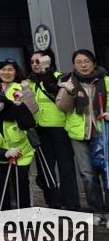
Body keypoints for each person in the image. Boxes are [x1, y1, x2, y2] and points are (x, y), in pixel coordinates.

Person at [56, 49, 109, 226]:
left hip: (102, 133)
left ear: (94, 63)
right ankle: (97, 211)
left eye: (87, 61)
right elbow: (62, 107)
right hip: (79, 135)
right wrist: (69, 91)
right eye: (79, 62)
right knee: (88, 175)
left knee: (107, 173)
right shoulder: (69, 82)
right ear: (74, 65)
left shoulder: (105, 81)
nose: (83, 65)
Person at [28, 49, 80, 211]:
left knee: (66, 167)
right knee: (44, 169)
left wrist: (47, 75)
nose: (35, 64)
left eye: (38, 61)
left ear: (48, 60)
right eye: (32, 61)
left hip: (60, 128)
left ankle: (71, 204)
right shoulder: (30, 82)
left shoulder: (60, 78)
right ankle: (53, 202)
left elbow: (64, 97)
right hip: (40, 129)